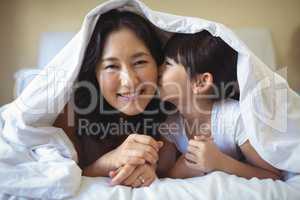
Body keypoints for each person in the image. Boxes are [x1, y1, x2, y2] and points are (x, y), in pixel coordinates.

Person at [54, 9, 168, 188]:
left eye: (140, 62)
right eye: (111, 66)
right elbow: (54, 179)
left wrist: (149, 170)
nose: (130, 81)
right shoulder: (69, 113)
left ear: (158, 64)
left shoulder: (172, 111)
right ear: (94, 72)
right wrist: (107, 162)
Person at [158, 30, 282, 180]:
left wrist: (220, 163)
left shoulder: (234, 118)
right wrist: (178, 171)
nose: (158, 70)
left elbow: (273, 176)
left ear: (201, 82)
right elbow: (161, 176)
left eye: (168, 64)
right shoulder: (171, 124)